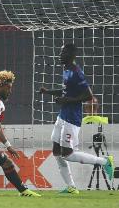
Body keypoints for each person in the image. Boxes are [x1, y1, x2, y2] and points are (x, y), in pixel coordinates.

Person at [39, 43, 114, 194]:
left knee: (67, 154)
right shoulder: (66, 70)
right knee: (55, 151)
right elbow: (66, 91)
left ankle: (105, 162)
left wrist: (67, 101)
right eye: (60, 52)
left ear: (71, 55)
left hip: (72, 118)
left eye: (63, 52)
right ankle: (71, 186)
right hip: (63, 115)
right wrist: (48, 92)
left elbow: (88, 95)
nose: (60, 55)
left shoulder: (76, 72)